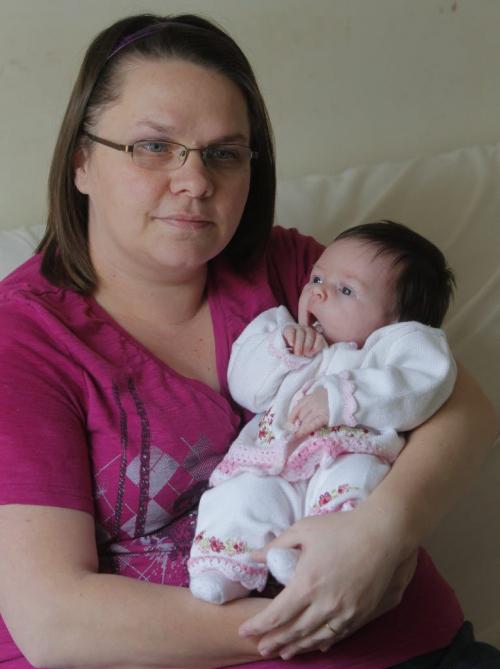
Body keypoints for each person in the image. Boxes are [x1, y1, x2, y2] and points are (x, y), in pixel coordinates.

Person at [0, 12, 498, 669]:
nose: (196, 179)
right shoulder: (26, 340)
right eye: (154, 146)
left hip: (420, 651)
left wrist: (381, 533)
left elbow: (464, 406)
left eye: (223, 153)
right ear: (82, 161)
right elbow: (57, 622)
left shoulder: (296, 272)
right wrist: (319, 608)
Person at [188, 221, 458, 605]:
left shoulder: (394, 349)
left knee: (352, 487)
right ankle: (224, 568)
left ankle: (309, 559)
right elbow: (245, 386)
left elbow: (423, 383)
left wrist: (342, 397)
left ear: (397, 321)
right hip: (274, 458)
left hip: (349, 453)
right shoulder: (279, 329)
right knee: (242, 496)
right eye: (317, 277)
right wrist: (282, 351)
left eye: (345, 290)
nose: (319, 292)